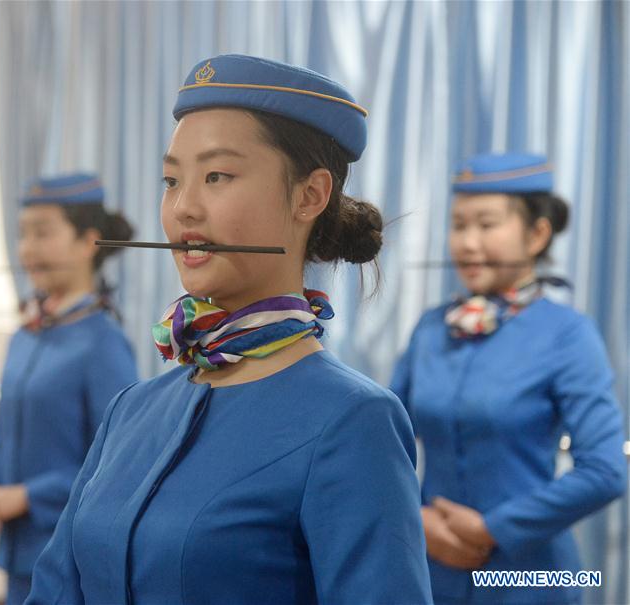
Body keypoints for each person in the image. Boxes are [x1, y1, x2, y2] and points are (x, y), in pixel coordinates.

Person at [26, 54, 432, 604]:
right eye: (171, 180)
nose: (184, 207)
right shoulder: (132, 410)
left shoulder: (352, 421)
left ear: (310, 195)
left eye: (217, 175)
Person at [391, 153, 627, 604]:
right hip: (431, 567)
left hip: (530, 578)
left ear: (537, 234)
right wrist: (417, 519)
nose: (467, 242)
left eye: (486, 224)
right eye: (459, 225)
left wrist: (490, 529)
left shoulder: (567, 333)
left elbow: (606, 472)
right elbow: (382, 439)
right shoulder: (432, 327)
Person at [0, 173, 139, 604]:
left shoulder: (103, 341)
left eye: (43, 234)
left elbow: (118, 462)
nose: (27, 249)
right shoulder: (24, 335)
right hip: (17, 544)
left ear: (88, 242)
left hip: (65, 547)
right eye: (23, 235)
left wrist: (29, 496)